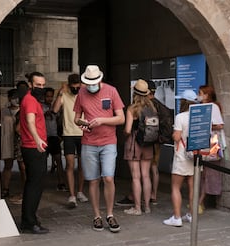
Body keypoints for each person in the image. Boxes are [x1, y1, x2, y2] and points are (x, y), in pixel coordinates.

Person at [73, 65, 125, 233]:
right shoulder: (81, 93)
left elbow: (121, 118)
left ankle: (110, 214)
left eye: (93, 83)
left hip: (109, 141)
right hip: (89, 142)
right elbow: (76, 118)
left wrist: (102, 120)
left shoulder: (111, 91)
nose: (90, 86)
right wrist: (83, 125)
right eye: (88, 83)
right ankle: (97, 216)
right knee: (93, 180)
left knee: (108, 178)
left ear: (100, 80)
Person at [19, 71, 49, 234]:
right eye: (38, 85)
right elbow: (30, 121)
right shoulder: (30, 101)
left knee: (35, 184)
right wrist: (37, 140)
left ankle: (30, 220)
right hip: (33, 147)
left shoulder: (31, 100)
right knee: (34, 185)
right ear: (30, 85)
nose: (41, 88)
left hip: (34, 146)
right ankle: (29, 222)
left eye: (43, 85)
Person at [163, 89, 198, 227]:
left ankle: (177, 217)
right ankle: (192, 215)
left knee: (176, 187)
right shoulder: (198, 116)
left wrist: (173, 135)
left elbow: (177, 137)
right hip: (195, 155)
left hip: (182, 155)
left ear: (183, 101)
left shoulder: (181, 117)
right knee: (193, 187)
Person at [53, 74, 88, 208]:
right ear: (68, 85)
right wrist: (60, 93)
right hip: (68, 135)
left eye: (77, 87)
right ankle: (72, 195)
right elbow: (55, 109)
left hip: (83, 133)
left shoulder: (84, 95)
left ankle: (80, 191)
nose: (75, 89)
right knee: (69, 164)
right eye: (73, 87)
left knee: (82, 165)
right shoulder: (65, 96)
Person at [123, 79, 154, 215]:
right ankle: (147, 206)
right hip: (148, 143)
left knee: (136, 177)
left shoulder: (132, 108)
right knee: (146, 176)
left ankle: (137, 208)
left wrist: (123, 134)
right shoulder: (152, 108)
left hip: (135, 143)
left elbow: (128, 130)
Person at [197, 85, 225, 214]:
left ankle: (201, 201)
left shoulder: (213, 107)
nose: (199, 95)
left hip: (211, 142)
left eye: (201, 93)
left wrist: (207, 124)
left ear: (207, 95)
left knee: (208, 174)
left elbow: (219, 125)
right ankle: (199, 200)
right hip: (203, 141)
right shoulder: (201, 106)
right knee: (202, 173)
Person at [0, 88, 26, 204]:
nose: (15, 100)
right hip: (8, 140)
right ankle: (5, 189)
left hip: (20, 141)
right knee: (8, 165)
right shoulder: (3, 111)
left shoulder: (23, 110)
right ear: (9, 98)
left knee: (23, 167)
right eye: (13, 97)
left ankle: (25, 190)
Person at [43, 87, 65, 192]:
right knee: (42, 163)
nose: (49, 98)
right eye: (47, 96)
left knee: (59, 161)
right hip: (44, 137)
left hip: (54, 137)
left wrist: (60, 135)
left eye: (51, 96)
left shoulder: (56, 107)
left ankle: (61, 182)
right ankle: (40, 183)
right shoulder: (40, 106)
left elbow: (59, 121)